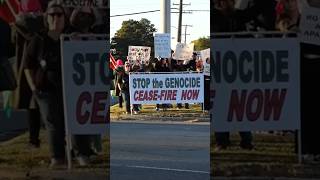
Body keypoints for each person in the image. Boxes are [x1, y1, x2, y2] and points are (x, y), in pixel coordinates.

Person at [212, 0, 271, 150]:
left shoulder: (238, 16)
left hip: (239, 68)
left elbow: (256, 9)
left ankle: (246, 140)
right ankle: (222, 141)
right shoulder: (214, 17)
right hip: (221, 68)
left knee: (241, 104)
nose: (227, 4)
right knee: (222, 105)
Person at [24, 0, 67, 168]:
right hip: (45, 90)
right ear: (46, 18)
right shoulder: (38, 40)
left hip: (68, 89)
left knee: (66, 122)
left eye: (59, 14)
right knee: (53, 122)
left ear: (65, 18)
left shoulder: (71, 37)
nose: (56, 18)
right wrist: (34, 88)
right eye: (52, 15)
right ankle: (57, 158)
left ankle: (77, 152)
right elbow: (28, 65)